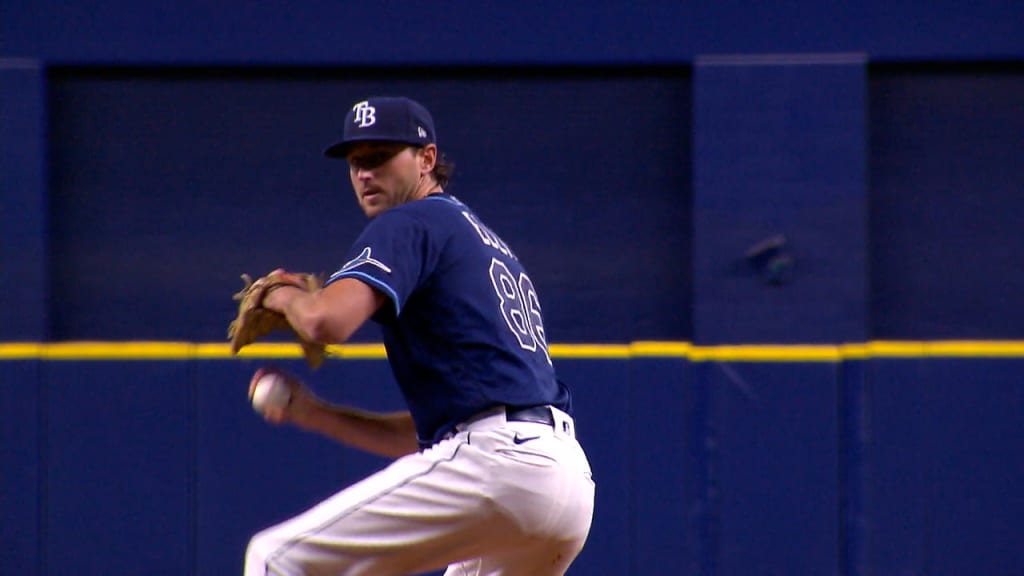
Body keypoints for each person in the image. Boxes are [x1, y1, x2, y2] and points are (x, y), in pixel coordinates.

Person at [243, 96, 595, 576]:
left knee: (276, 560)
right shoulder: (476, 239)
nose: (365, 173)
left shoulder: (411, 221)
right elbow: (433, 439)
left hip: (499, 468)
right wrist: (313, 413)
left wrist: (280, 294)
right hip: (561, 480)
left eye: (381, 156)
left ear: (427, 159)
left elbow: (326, 322)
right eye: (355, 162)